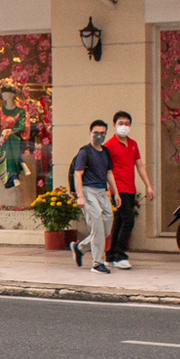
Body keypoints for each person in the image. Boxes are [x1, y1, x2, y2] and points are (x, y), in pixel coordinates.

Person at [104, 110, 155, 270]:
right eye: (121, 123)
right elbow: (107, 170)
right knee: (128, 220)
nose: (124, 127)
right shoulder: (109, 146)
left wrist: (148, 185)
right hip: (118, 189)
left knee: (119, 220)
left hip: (130, 188)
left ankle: (111, 254)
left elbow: (139, 165)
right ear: (114, 125)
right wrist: (114, 191)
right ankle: (120, 254)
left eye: (126, 124)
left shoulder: (133, 144)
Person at [68, 119, 116, 275]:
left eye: (102, 133)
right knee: (97, 227)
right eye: (96, 133)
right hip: (88, 191)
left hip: (102, 192)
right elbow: (77, 174)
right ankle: (97, 263)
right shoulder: (85, 152)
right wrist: (81, 196)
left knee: (106, 227)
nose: (99, 136)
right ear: (90, 133)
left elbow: (109, 173)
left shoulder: (106, 152)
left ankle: (79, 248)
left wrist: (116, 192)